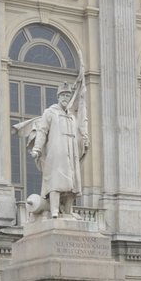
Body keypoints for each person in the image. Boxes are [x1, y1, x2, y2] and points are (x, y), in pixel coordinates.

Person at [24, 82, 87, 218]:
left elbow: (77, 135)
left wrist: (83, 140)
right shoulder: (50, 113)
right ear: (58, 97)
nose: (65, 98)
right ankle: (54, 210)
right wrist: (37, 148)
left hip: (71, 154)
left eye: (68, 95)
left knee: (72, 183)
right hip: (56, 153)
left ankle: (68, 212)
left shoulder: (72, 117)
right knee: (55, 182)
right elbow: (42, 131)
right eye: (63, 95)